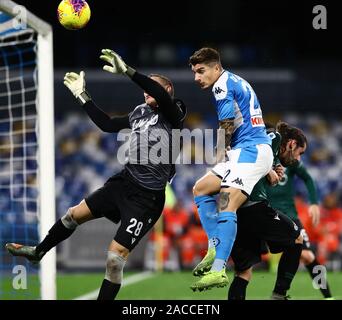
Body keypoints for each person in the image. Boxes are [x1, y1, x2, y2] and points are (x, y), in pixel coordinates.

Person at [5, 49, 186, 300]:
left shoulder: (174, 112)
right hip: (124, 183)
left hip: (147, 199)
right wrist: (82, 96)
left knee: (115, 259)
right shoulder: (139, 113)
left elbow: (158, 95)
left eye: (154, 87)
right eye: (146, 88)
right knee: (72, 215)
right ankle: (39, 251)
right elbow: (107, 124)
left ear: (166, 91)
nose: (147, 92)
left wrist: (128, 71)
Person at [189, 47, 273, 291]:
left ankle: (218, 270)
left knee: (226, 202)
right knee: (201, 189)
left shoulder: (221, 85)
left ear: (216, 67)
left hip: (250, 150)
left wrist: (220, 149)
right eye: (194, 72)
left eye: (201, 71)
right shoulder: (235, 79)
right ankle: (216, 243)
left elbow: (226, 123)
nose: (196, 77)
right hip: (246, 150)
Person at [227, 122, 307, 300]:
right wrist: (269, 169)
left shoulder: (274, 151)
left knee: (243, 273)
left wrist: (273, 171)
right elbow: (253, 152)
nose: (298, 159)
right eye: (300, 153)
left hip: (236, 209)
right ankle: (279, 294)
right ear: (292, 143)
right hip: (253, 205)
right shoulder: (274, 137)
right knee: (296, 238)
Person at [265, 124, 335, 300]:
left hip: (290, 214)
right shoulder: (265, 156)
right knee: (247, 263)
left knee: (308, 255)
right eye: (300, 152)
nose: (299, 157)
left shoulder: (291, 161)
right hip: (266, 213)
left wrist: (313, 203)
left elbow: (308, 178)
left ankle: (328, 296)